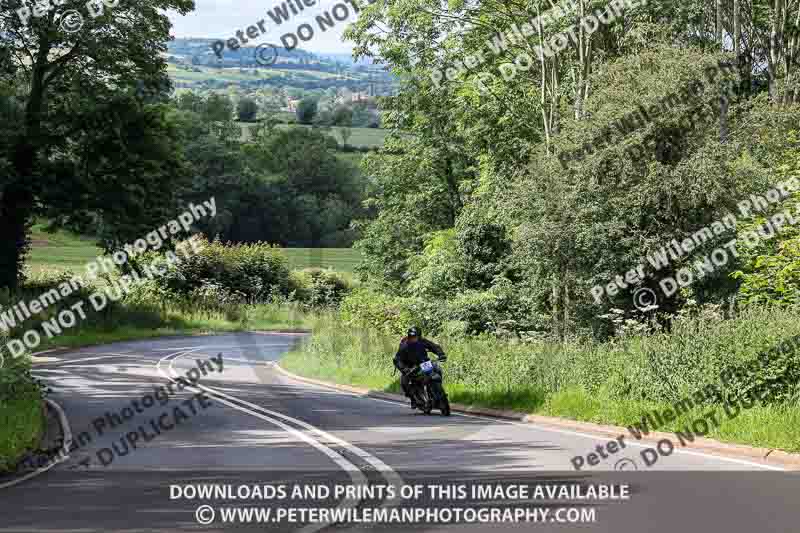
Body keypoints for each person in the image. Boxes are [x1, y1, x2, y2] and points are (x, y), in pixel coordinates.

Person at [393, 326, 446, 409]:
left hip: (424, 363)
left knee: (437, 369)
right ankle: (414, 399)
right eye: (411, 337)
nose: (413, 339)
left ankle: (438, 391)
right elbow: (397, 359)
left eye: (415, 337)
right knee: (404, 383)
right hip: (409, 367)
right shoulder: (404, 345)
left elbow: (434, 347)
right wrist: (404, 369)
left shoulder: (423, 341)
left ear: (419, 336)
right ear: (409, 336)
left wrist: (441, 354)